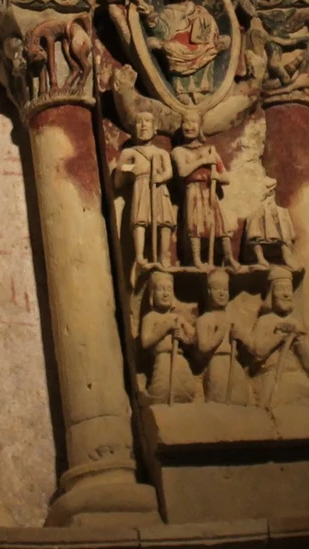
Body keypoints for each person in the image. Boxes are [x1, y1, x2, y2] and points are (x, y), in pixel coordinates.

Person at [147, 0, 222, 103]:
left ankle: (202, 90)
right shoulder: (168, 12)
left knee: (209, 48)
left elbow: (209, 32)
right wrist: (152, 19)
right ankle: (182, 91)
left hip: (201, 47)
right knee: (171, 48)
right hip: (179, 49)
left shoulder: (200, 10)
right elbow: (163, 33)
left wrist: (207, 25)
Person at [245, 268, 309, 408]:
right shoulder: (264, 322)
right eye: (281, 289)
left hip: (297, 379)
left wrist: (300, 341)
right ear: (271, 293)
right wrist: (278, 336)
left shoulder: (296, 323)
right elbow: (257, 353)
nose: (286, 294)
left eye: (289, 289)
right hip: (270, 378)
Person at [113, 112, 177, 269]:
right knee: (139, 220)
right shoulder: (129, 153)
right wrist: (133, 168)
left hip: (159, 189)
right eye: (139, 122)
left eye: (147, 121)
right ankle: (139, 256)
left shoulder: (161, 153)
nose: (143, 125)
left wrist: (160, 178)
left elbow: (169, 172)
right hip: (141, 187)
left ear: (154, 128)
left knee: (165, 222)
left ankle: (163, 256)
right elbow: (118, 180)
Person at [172, 112, 234, 268]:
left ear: (200, 127)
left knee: (219, 224)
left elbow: (225, 177)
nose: (189, 126)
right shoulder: (178, 151)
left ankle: (228, 257)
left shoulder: (210, 150)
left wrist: (216, 178)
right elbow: (183, 172)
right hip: (192, 190)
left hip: (209, 190)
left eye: (193, 122)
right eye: (185, 122)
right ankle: (197, 260)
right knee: (195, 225)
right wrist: (203, 160)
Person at [186, 269, 246, 404]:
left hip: (234, 364)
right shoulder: (204, 320)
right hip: (216, 363)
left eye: (225, 289)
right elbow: (202, 348)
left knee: (241, 401)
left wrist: (241, 337)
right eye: (217, 289)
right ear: (208, 292)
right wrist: (220, 333)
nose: (221, 293)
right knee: (217, 401)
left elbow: (253, 346)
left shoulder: (233, 318)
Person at [138, 270, 195, 405]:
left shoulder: (177, 318)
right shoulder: (150, 318)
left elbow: (193, 338)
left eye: (169, 290)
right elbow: (145, 342)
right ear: (152, 294)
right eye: (161, 290)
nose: (165, 294)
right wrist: (164, 328)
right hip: (162, 359)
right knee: (161, 390)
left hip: (179, 359)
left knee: (187, 391)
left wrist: (184, 338)